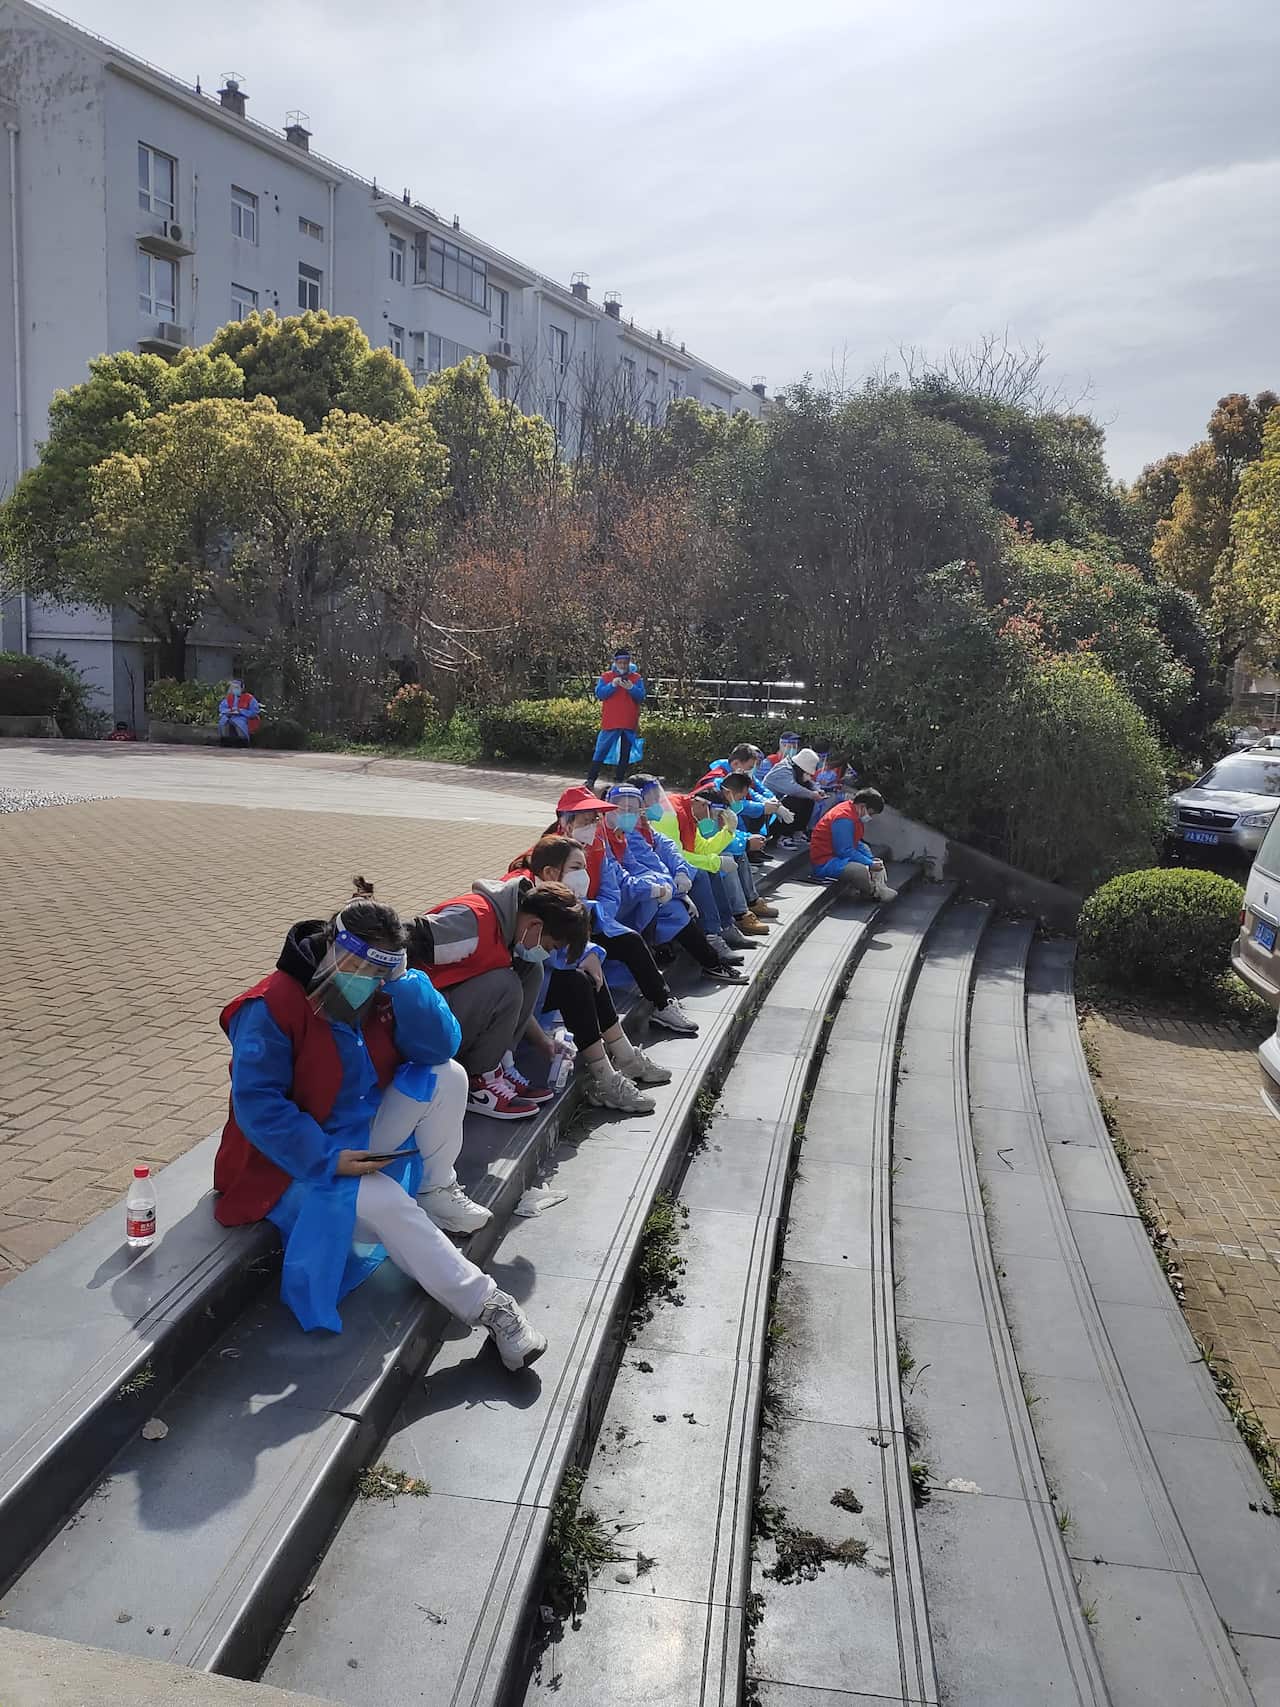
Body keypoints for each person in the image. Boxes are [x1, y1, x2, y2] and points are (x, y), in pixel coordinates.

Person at [212, 889, 545, 1370]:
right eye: (358, 966)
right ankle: (491, 1306)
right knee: (387, 1203)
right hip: (286, 1163)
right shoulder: (271, 1005)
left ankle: (436, 1190)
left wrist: (405, 983)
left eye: (377, 972)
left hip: (355, 1133)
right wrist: (327, 1159)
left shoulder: (382, 991)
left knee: (446, 1075)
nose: (364, 981)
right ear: (332, 947)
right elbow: (258, 1104)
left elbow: (439, 1046)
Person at [407, 876, 589, 1121]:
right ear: (535, 925)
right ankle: (479, 1081)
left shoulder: (510, 931)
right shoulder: (473, 921)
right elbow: (404, 939)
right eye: (549, 946)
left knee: (531, 970)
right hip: (415, 1023)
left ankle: (500, 1064)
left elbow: (507, 1003)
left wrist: (543, 1042)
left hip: (444, 1014)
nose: (546, 953)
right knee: (506, 983)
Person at [512, 835, 674, 1107]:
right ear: (550, 872)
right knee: (576, 982)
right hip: (521, 990)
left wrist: (589, 952)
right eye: (576, 868)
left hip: (536, 980)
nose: (584, 876)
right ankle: (605, 1078)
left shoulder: (555, 892)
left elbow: (596, 908)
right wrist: (585, 953)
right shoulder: (526, 895)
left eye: (584, 868)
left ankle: (624, 1056)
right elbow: (543, 948)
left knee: (594, 970)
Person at [545, 785, 702, 1035]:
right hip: (558, 927)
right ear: (565, 822)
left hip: (593, 918)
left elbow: (612, 888)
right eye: (586, 820)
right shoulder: (549, 852)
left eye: (595, 819)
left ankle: (662, 1004)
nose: (592, 826)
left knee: (631, 941)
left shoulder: (598, 844)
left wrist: (595, 915)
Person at [599, 782, 748, 976]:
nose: (657, 805)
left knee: (695, 883)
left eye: (635, 808)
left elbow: (665, 853)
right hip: (615, 903)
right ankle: (710, 949)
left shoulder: (635, 829)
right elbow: (625, 876)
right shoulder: (609, 835)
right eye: (652, 800)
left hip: (634, 892)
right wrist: (672, 889)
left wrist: (679, 875)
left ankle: (719, 935)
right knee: (677, 903)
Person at [809, 785, 898, 900]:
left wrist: (871, 859)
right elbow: (844, 850)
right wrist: (869, 864)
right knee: (858, 871)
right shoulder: (843, 818)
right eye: (870, 813)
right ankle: (873, 892)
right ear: (862, 806)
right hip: (825, 862)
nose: (870, 817)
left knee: (865, 849)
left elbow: (856, 843)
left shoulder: (853, 814)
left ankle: (874, 886)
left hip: (836, 857)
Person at [586, 648, 645, 787]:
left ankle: (619, 780)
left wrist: (631, 688)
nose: (623, 665)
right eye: (620, 662)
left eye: (625, 662)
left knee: (625, 753)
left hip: (628, 722)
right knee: (601, 750)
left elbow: (641, 697)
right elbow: (600, 694)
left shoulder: (636, 678)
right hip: (611, 721)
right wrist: (612, 685)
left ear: (629, 662)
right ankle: (591, 779)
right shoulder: (606, 676)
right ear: (615, 662)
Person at [762, 746, 827, 847]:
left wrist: (817, 790)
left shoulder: (795, 770)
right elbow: (794, 789)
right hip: (768, 811)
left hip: (777, 808)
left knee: (808, 798)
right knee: (794, 800)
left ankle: (797, 832)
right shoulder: (783, 770)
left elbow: (809, 783)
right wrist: (812, 794)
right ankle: (783, 836)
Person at [218, 678, 262, 747]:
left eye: (236, 688)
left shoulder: (249, 698)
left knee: (239, 723)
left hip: (242, 717)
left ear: (242, 688)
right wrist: (229, 711)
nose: (234, 689)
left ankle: (243, 742)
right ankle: (224, 741)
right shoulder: (229, 697)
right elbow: (222, 708)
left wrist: (241, 711)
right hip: (230, 716)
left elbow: (254, 711)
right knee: (223, 721)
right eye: (233, 688)